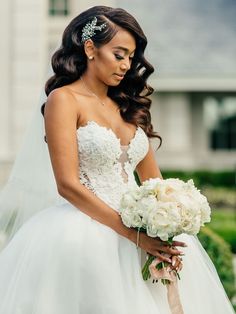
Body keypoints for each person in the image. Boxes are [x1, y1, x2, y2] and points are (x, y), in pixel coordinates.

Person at [0, 5, 234, 314]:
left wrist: (168, 222)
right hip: (85, 233)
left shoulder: (127, 105)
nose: (126, 65)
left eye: (131, 57)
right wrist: (131, 234)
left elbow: (154, 182)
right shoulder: (64, 100)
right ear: (90, 49)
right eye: (119, 54)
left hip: (142, 233)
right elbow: (67, 184)